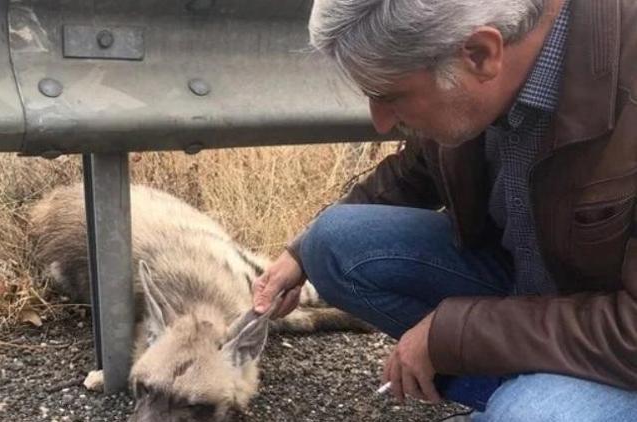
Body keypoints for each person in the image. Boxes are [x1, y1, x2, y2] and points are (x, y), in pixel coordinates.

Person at [252, 0, 637, 420]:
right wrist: (300, 250)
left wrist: (454, 334)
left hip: (623, 343)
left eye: (390, 96)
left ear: (481, 54)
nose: (380, 122)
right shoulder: (480, 61)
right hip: (537, 293)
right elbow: (421, 166)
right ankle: (525, 395)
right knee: (330, 242)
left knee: (531, 415)